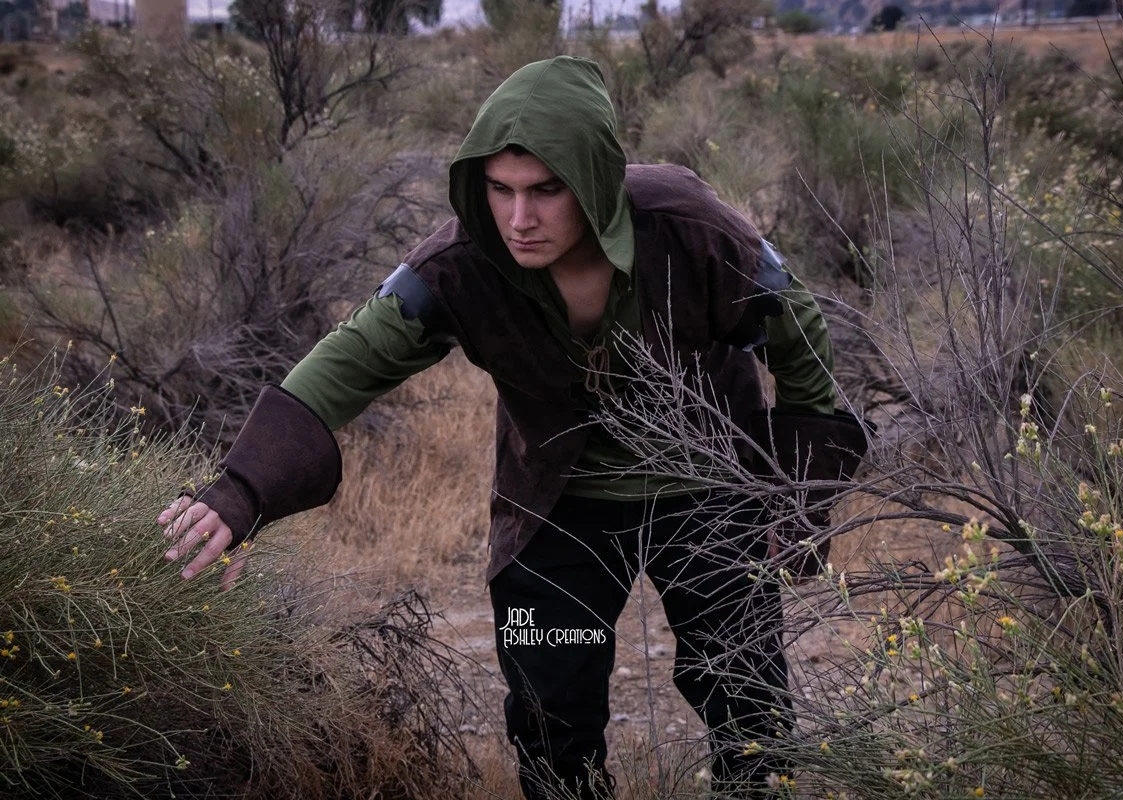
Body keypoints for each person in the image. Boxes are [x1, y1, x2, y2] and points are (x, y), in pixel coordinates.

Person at [158, 56, 865, 799]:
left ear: (591, 179)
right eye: (500, 190)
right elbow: (346, 364)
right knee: (551, 717)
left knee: (748, 703)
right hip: (555, 508)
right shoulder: (458, 267)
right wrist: (239, 494)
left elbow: (803, 342)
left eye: (545, 191)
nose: (519, 219)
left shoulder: (693, 231)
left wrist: (799, 500)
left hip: (708, 490)